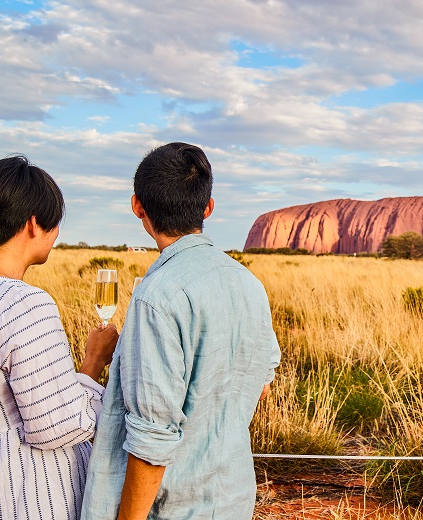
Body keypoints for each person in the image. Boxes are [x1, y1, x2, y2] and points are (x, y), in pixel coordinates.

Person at [81, 143, 281, 519]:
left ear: (137, 206)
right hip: (232, 498)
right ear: (208, 207)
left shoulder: (156, 297)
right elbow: (261, 384)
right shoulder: (249, 283)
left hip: (172, 508)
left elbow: (151, 441)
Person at [0, 156, 119, 520]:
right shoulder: (23, 301)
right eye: (55, 223)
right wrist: (96, 371)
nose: (57, 233)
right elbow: (57, 426)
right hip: (19, 492)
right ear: (33, 223)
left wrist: (84, 372)